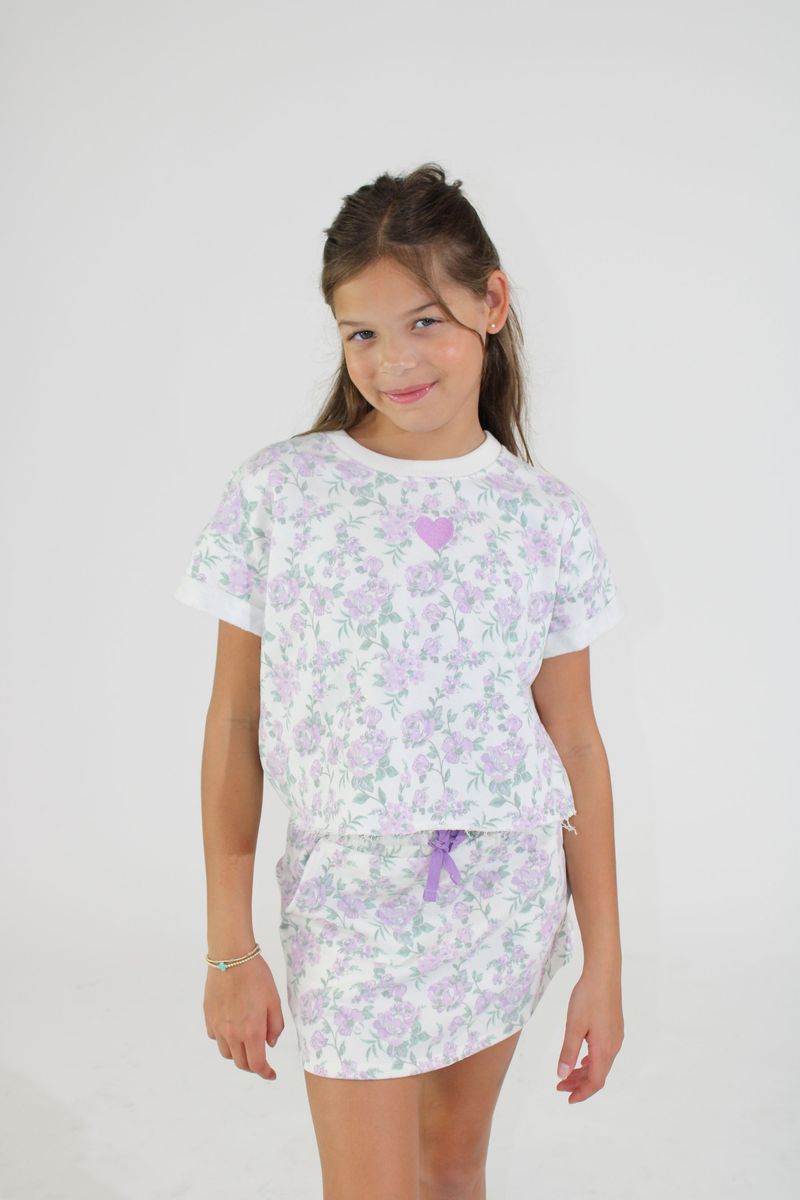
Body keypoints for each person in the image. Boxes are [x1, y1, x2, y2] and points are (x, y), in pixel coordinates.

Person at [174, 161, 627, 1199]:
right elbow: (235, 722)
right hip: (347, 899)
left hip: (506, 892)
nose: (394, 360)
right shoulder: (281, 493)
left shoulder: (545, 516)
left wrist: (603, 966)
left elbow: (574, 742)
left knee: (450, 1169)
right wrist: (227, 947)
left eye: (424, 321)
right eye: (362, 334)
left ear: (492, 303)